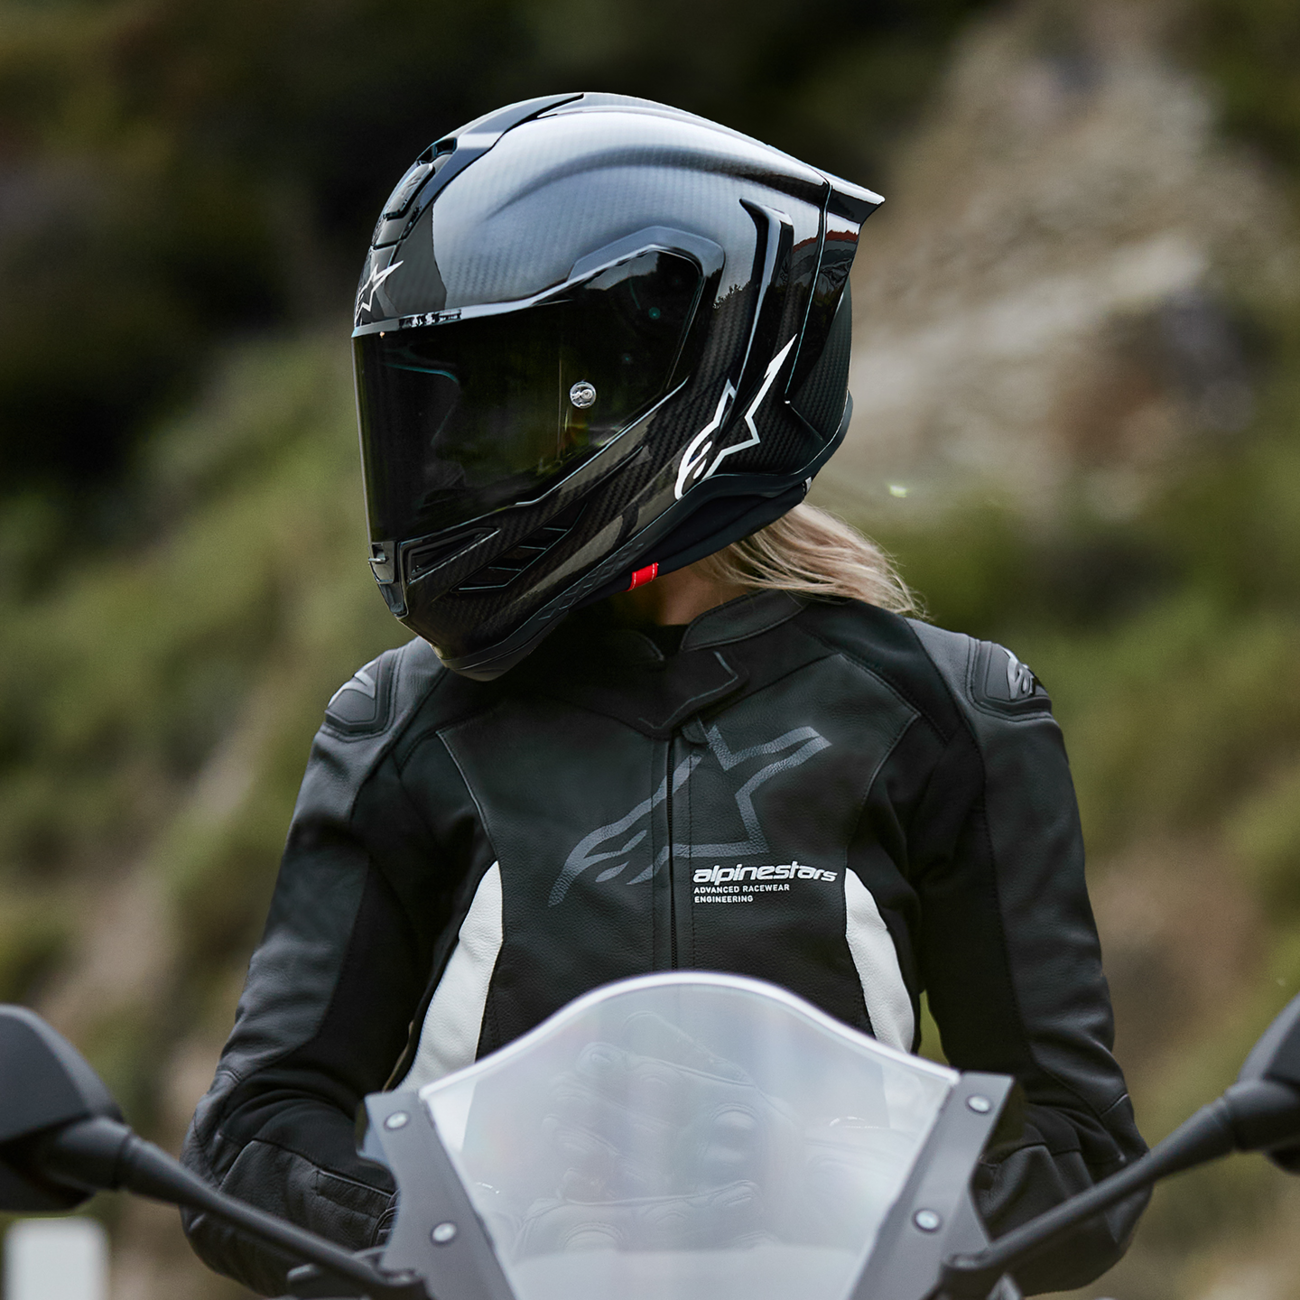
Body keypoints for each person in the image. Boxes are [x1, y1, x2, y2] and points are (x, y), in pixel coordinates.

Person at [181, 93, 1147, 1294]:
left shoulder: (950, 714)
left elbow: (1077, 1147)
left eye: (512, 395)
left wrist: (854, 1209)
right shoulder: (403, 727)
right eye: (440, 406)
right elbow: (253, 1135)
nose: (454, 451)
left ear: (662, 372)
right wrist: (453, 1235)